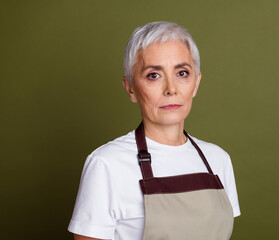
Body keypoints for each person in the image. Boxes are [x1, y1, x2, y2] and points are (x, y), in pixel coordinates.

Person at [68, 21, 240, 240]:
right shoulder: (106, 165)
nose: (171, 89)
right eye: (153, 75)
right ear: (130, 88)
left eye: (182, 73)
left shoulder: (218, 160)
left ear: (196, 83)